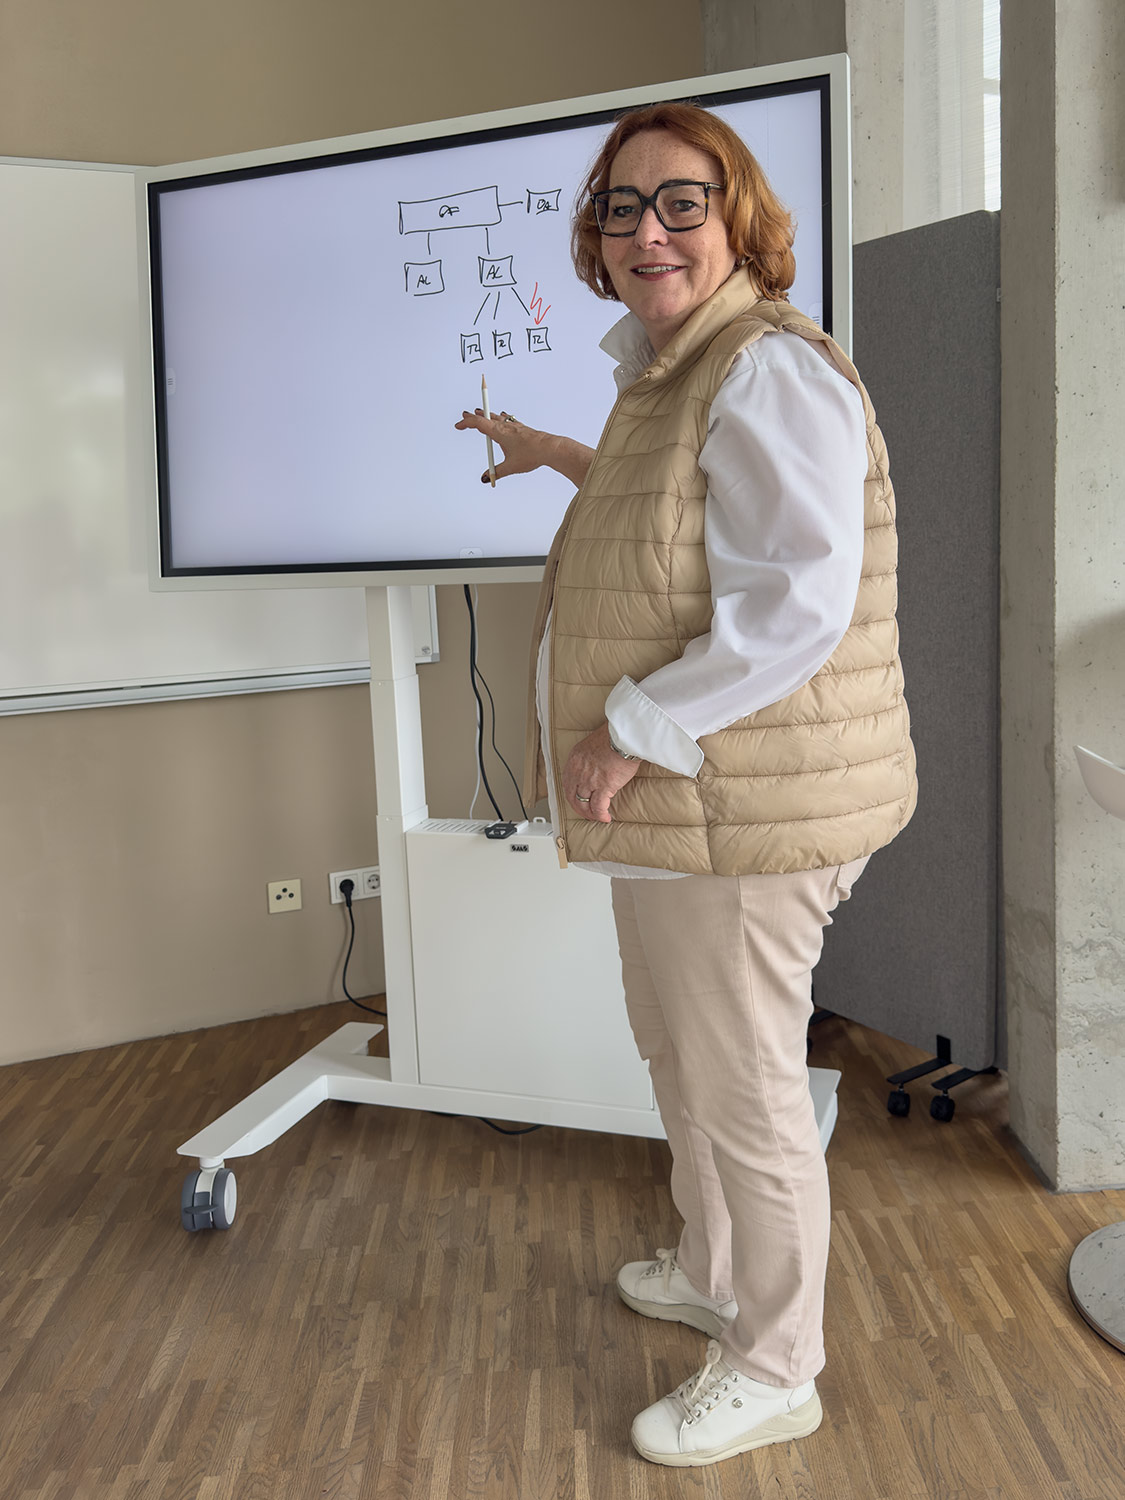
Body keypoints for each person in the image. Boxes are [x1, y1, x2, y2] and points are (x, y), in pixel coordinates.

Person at [455, 102, 916, 1469]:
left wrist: (625, 733)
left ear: (738, 219)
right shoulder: (674, 374)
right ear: (595, 236)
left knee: (747, 1088)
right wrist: (556, 452)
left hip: (742, 806)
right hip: (691, 805)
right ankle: (715, 1271)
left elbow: (793, 604)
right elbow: (682, 510)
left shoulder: (767, 368)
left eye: (680, 202)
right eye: (621, 206)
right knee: (680, 1058)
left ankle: (776, 1366)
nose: (647, 231)